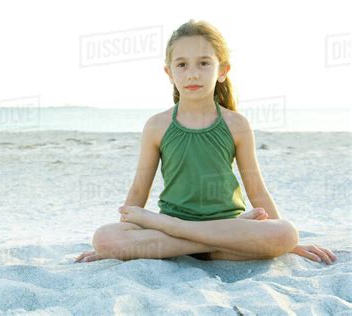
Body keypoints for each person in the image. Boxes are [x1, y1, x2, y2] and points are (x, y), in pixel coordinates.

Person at [74, 19, 336, 265]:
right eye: (182, 65)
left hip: (221, 226)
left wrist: (287, 245)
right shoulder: (157, 126)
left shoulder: (237, 125)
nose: (192, 74)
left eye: (203, 63)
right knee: (105, 237)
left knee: (286, 233)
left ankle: (181, 237)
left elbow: (257, 191)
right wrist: (117, 240)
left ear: (222, 70)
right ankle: (211, 246)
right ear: (169, 73)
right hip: (214, 235)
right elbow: (138, 194)